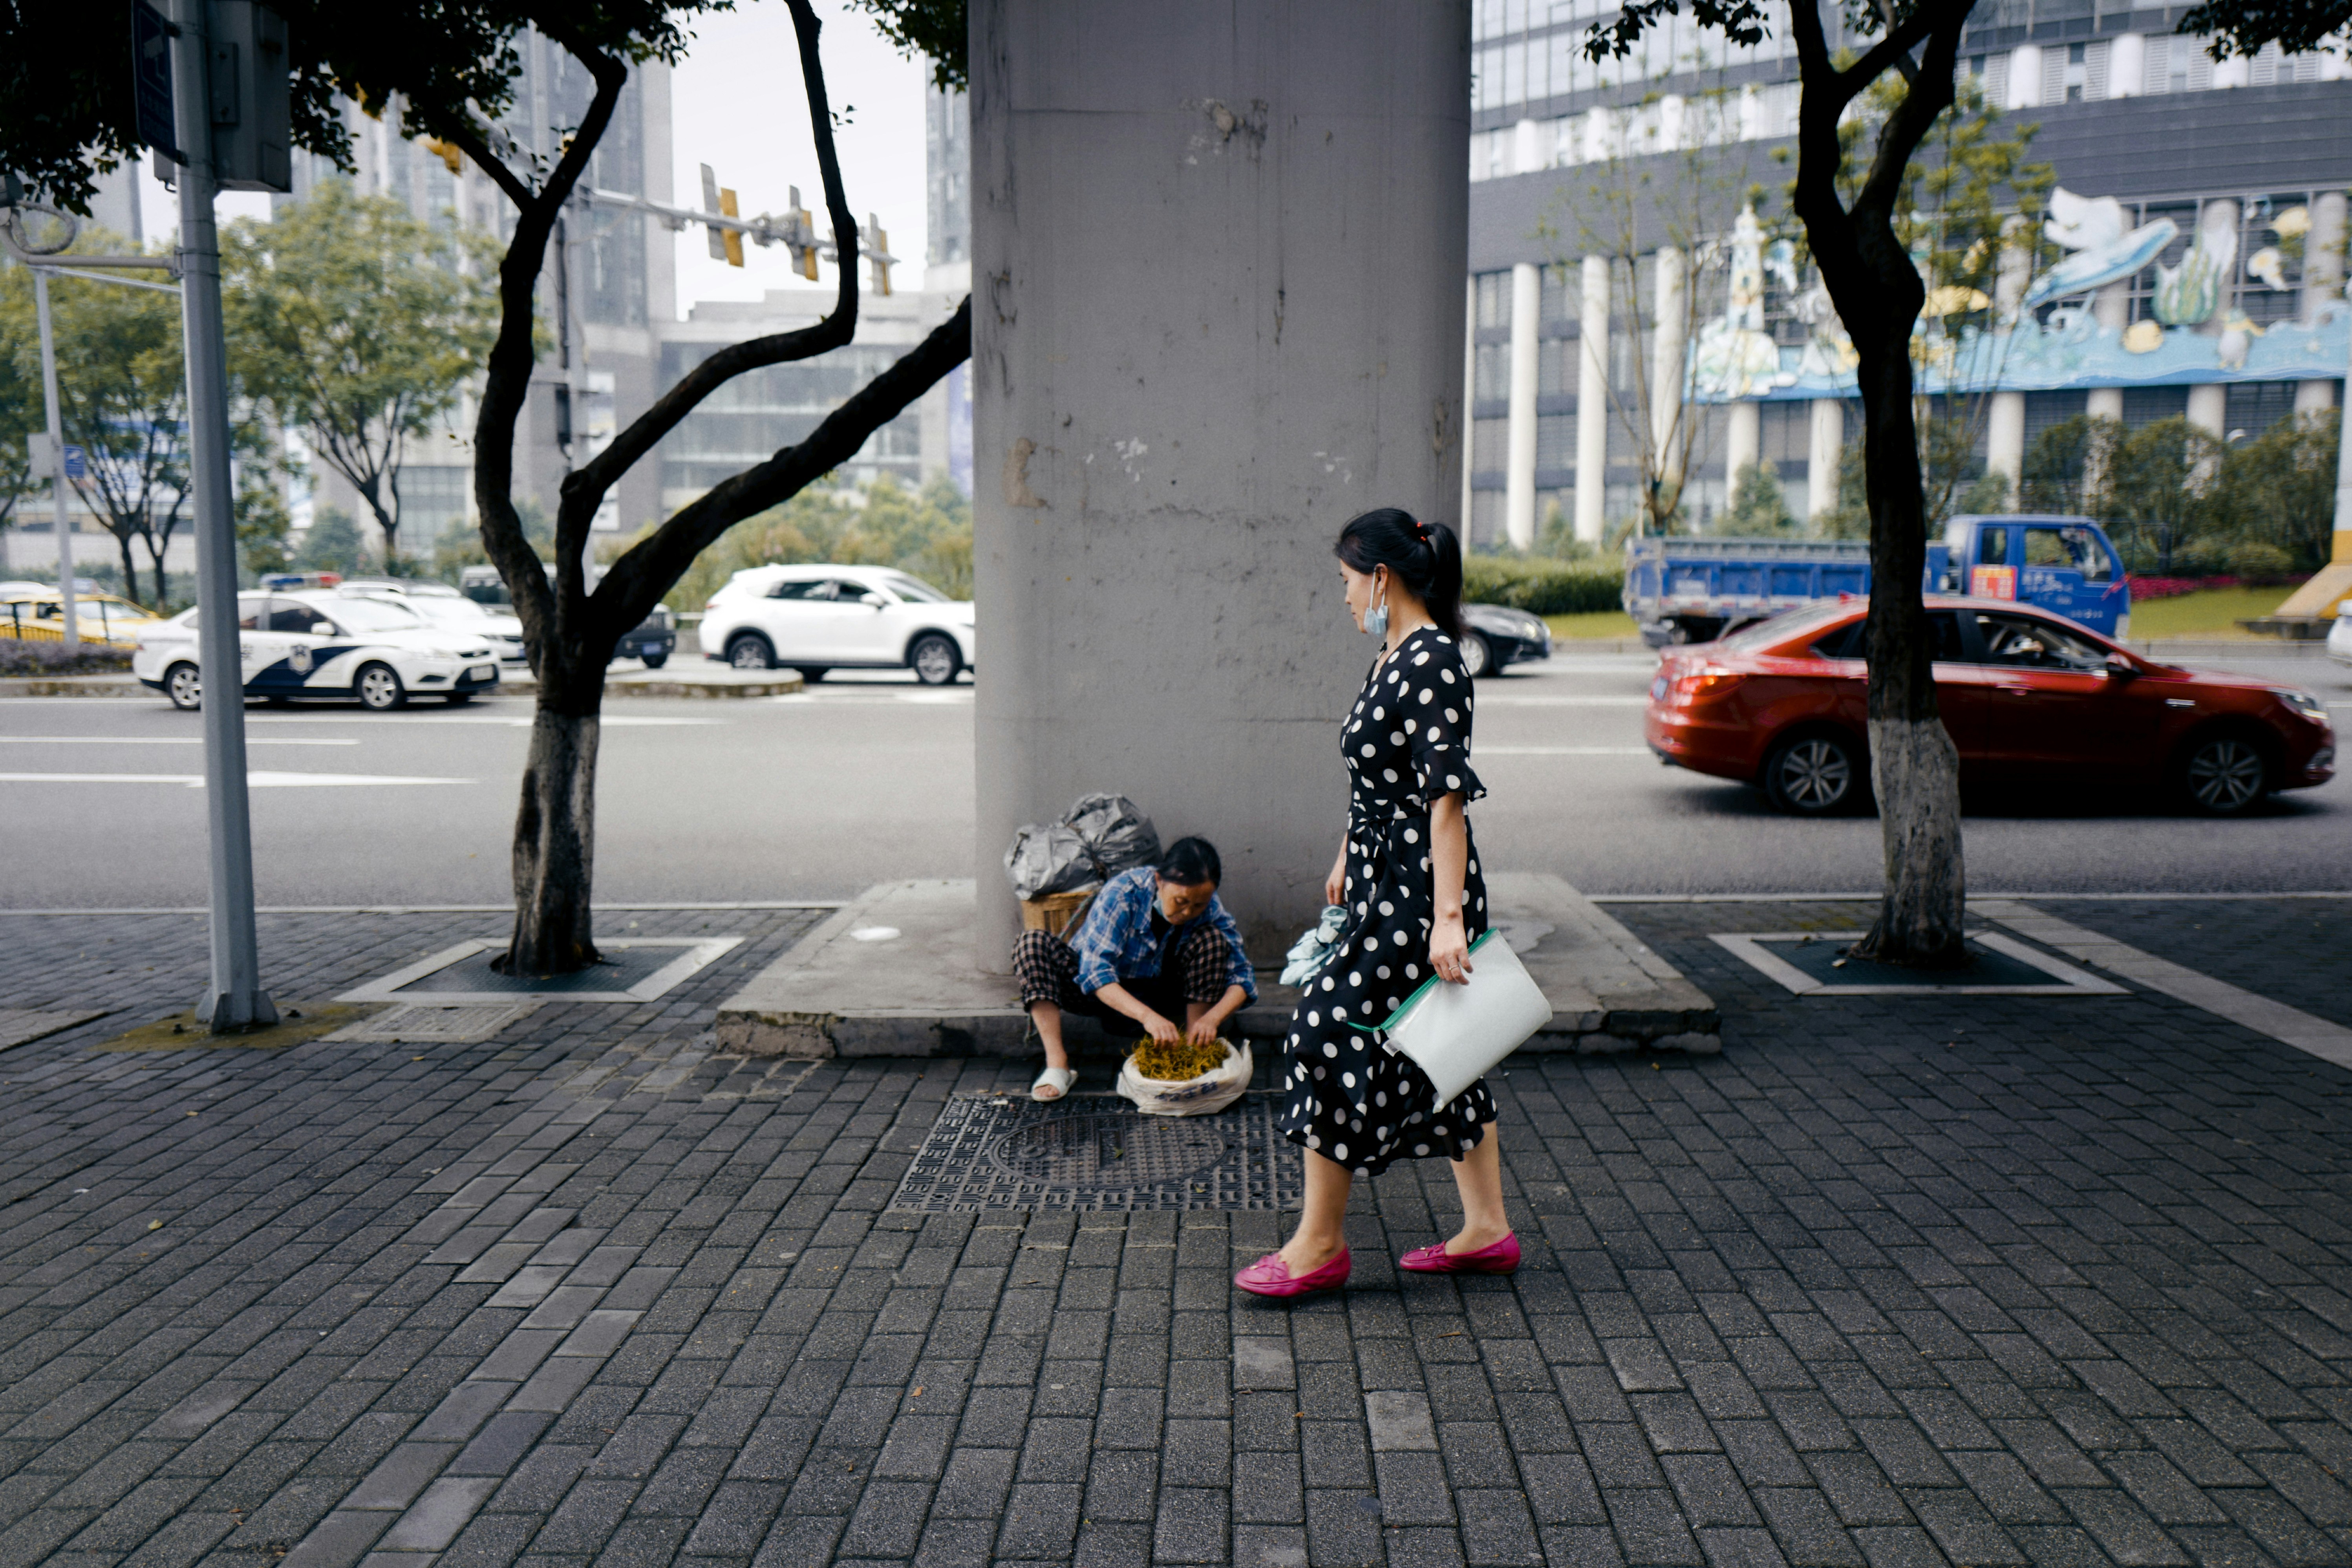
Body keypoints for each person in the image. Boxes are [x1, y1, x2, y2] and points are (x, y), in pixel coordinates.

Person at [1234, 507, 1516, 1299]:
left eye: (1346, 579)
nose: (1342, 594)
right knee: (1442, 1043)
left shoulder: (1430, 660)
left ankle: (1318, 1243)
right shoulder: (1396, 652)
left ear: (1382, 578)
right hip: (1380, 878)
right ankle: (1488, 1229)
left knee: (1324, 1029)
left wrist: (1449, 917)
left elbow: (1446, 797)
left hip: (1419, 891)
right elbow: (1380, 777)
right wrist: (1344, 853)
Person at [1011, 836, 1256, 1101]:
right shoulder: (1124, 892)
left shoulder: (1209, 904)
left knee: (1213, 940)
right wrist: (1148, 1017)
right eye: (1180, 901)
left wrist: (1213, 1019)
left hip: (1163, 992)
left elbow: (1242, 976)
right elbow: (1096, 972)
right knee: (1031, 944)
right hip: (1102, 995)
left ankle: (1193, 1044)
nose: (1188, 912)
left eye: (1198, 905)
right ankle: (1058, 1064)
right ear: (1160, 881)